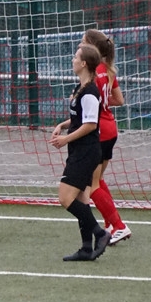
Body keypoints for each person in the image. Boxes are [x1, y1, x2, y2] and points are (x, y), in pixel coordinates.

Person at [49, 44, 110, 262]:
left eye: (76, 57)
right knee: (81, 199)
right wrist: (63, 125)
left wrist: (65, 139)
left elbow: (91, 124)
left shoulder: (90, 92)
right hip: (80, 150)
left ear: (84, 63)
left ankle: (100, 233)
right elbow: (79, 118)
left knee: (65, 198)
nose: (73, 60)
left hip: (86, 152)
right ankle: (86, 248)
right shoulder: (80, 88)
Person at [82, 28, 131, 244]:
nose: (79, 46)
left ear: (92, 47)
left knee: (91, 185)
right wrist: (102, 102)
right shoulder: (108, 70)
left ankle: (119, 226)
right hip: (111, 128)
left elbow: (92, 101)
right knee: (98, 180)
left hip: (99, 131)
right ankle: (111, 223)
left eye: (83, 42)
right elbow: (119, 100)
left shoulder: (93, 73)